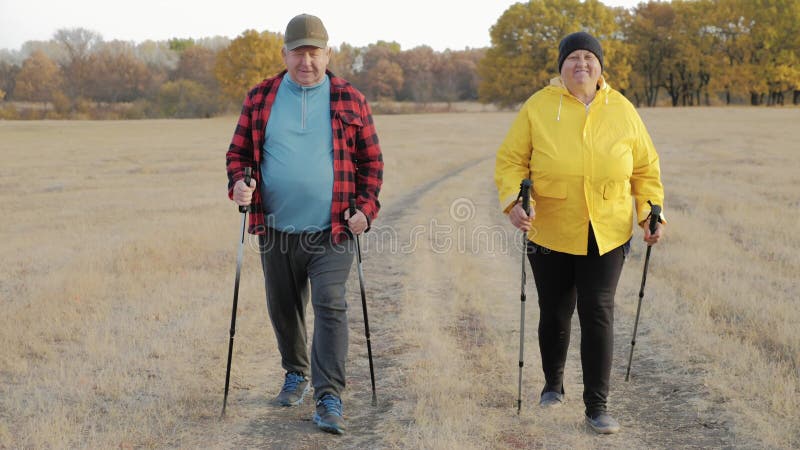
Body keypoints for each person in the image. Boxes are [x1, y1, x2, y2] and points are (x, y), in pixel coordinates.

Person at [494, 31, 665, 434]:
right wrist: (514, 203)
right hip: (550, 228)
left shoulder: (621, 109)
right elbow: (511, 161)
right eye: (573, 58)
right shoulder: (538, 106)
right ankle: (553, 384)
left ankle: (597, 407)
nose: (582, 64)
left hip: (607, 230)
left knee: (598, 311)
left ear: (600, 65)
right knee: (554, 309)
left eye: (589, 57)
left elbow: (645, 168)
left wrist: (649, 214)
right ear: (561, 66)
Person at [225, 13, 383, 435]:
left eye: (314, 53)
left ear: (328, 53)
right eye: (299, 53)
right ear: (285, 54)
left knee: (330, 303)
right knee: (283, 305)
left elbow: (371, 163)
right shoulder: (260, 98)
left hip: (333, 229)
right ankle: (294, 371)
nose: (307, 61)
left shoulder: (351, 99)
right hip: (275, 228)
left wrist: (366, 210)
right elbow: (237, 155)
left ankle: (328, 394)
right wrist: (240, 184)